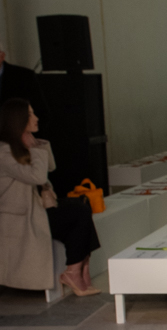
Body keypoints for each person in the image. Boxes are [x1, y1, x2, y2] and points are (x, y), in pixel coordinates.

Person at [0, 98, 100, 295]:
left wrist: (37, 144)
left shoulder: (23, 145)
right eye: (30, 114)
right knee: (78, 212)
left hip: (38, 209)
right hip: (22, 219)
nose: (36, 118)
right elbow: (37, 176)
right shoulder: (4, 152)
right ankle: (75, 271)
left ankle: (80, 268)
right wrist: (36, 149)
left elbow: (50, 166)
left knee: (81, 206)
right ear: (18, 120)